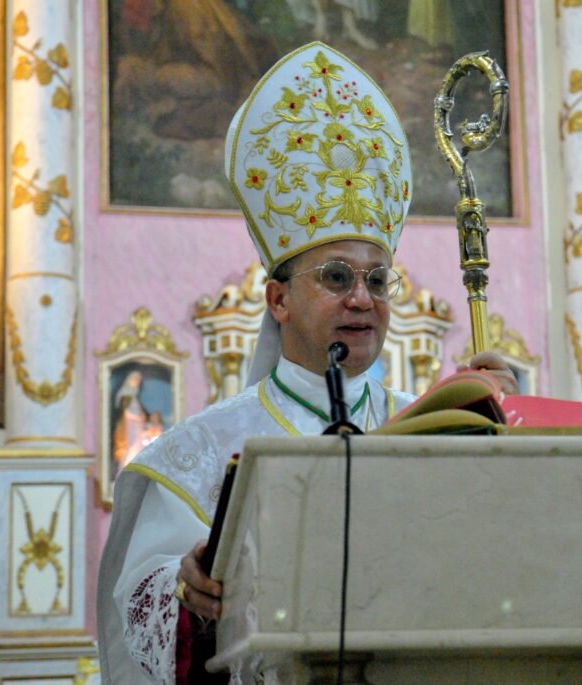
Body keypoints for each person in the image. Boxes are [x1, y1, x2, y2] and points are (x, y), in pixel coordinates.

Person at [96, 42, 516, 684]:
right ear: (278, 299)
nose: (362, 298)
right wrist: (188, 589)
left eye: (378, 281)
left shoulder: (432, 426)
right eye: (338, 276)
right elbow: (139, 615)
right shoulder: (201, 453)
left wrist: (503, 437)